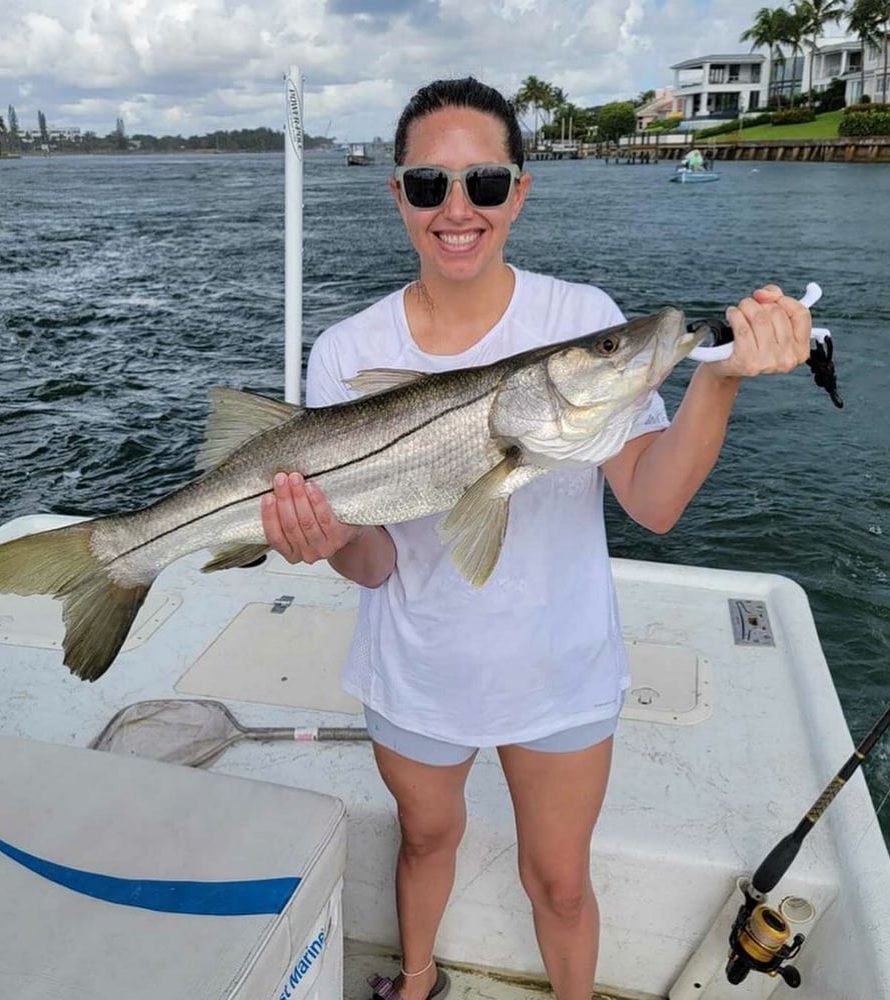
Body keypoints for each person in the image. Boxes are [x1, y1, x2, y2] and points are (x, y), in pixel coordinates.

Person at [260, 77, 811, 1000]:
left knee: (560, 881)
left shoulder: (582, 320)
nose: (458, 208)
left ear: (519, 189)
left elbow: (654, 501)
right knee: (427, 838)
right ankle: (419, 976)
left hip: (561, 670)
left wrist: (716, 382)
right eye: (430, 186)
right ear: (398, 196)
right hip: (419, 666)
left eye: (484, 181)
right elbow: (377, 559)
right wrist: (319, 540)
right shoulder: (347, 353)